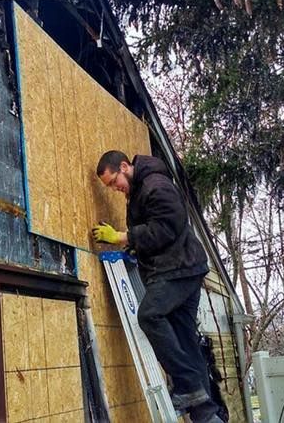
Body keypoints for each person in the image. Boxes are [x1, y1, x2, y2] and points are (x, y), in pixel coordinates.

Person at [92, 150, 223, 423]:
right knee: (185, 340)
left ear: (125, 167)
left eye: (114, 181)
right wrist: (134, 248)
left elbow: (168, 226)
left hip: (179, 269)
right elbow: (154, 233)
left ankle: (187, 386)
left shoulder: (155, 185)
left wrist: (122, 237)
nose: (115, 189)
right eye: (109, 186)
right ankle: (207, 416)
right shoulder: (140, 189)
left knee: (149, 315)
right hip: (179, 268)